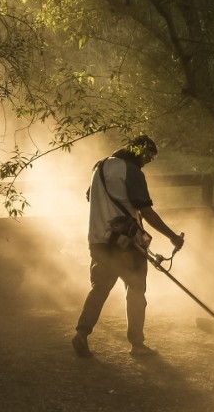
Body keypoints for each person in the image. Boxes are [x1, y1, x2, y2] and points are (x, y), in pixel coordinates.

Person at [72, 135, 184, 358]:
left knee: (100, 288)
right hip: (126, 243)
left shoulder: (100, 167)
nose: (148, 161)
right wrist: (172, 237)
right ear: (138, 151)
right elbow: (146, 211)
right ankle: (137, 344)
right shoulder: (131, 171)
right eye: (148, 155)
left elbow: (89, 196)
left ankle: (81, 333)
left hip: (98, 240)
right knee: (135, 290)